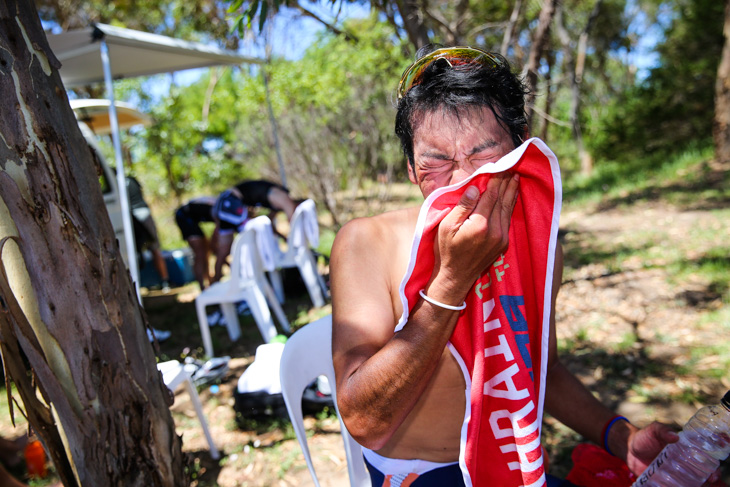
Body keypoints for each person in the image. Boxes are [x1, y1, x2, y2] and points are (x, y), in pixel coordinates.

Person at [330, 46, 695, 486]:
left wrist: (620, 435)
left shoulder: (540, 247)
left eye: (485, 155)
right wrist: (450, 282)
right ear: (411, 169)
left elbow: (542, 368)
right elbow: (364, 420)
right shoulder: (368, 242)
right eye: (436, 161)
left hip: (513, 462)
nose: (464, 181)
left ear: (523, 152)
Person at [210, 180, 298, 282]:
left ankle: (216, 281)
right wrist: (293, 241)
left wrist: (282, 237)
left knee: (224, 250)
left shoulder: (274, 201)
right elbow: (292, 216)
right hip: (230, 204)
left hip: (225, 204)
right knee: (250, 236)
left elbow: (268, 224)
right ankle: (244, 277)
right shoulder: (283, 196)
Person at [126, 176, 170, 292]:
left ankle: (162, 282)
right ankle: (164, 281)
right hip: (143, 213)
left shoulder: (120, 182)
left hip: (134, 216)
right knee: (154, 249)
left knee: (144, 249)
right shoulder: (131, 179)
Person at [174, 196, 219, 290]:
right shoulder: (223, 211)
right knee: (200, 253)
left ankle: (210, 281)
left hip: (194, 217)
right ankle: (202, 287)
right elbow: (215, 242)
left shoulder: (225, 208)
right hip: (184, 216)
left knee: (206, 251)